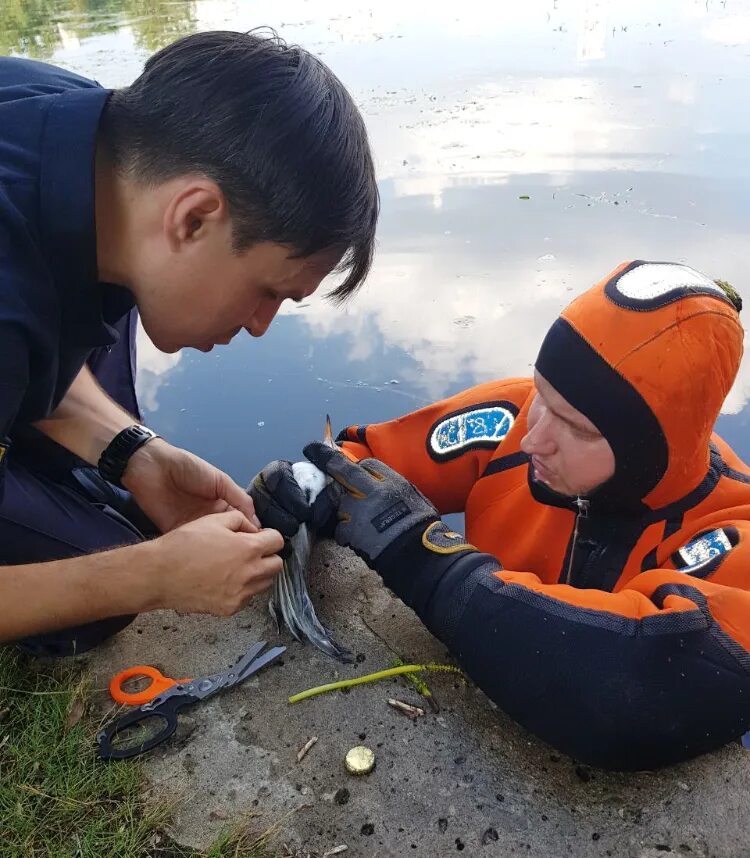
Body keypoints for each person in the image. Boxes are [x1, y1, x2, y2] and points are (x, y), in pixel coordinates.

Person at [253, 261, 750, 770]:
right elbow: (360, 466)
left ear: (652, 450)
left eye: (576, 428)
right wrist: (300, 492)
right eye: (544, 394)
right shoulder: (507, 418)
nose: (534, 437)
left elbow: (637, 695)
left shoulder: (734, 533)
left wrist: (425, 559)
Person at [0, 30, 379, 654]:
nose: (260, 325)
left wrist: (134, 453)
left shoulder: (104, 149)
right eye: (267, 292)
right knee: (96, 588)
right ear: (194, 216)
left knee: (128, 277)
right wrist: (149, 578)